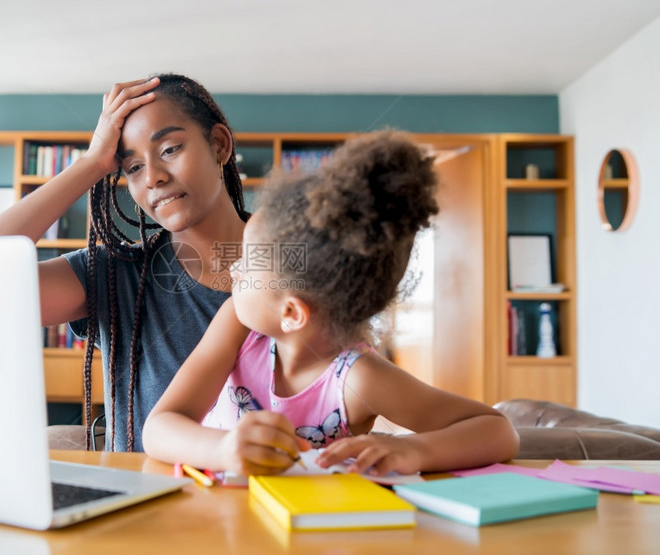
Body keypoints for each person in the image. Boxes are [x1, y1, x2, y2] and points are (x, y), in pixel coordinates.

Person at [142, 131, 520, 476]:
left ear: (291, 313)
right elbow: (159, 428)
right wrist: (224, 449)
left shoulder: (359, 378)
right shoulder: (236, 327)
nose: (236, 268)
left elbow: (498, 431)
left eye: (250, 263)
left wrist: (415, 449)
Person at [0, 74, 249, 451]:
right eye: (133, 167)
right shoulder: (115, 270)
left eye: (169, 149)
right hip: (144, 500)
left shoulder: (295, 261)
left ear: (219, 144)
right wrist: (90, 164)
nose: (153, 177)